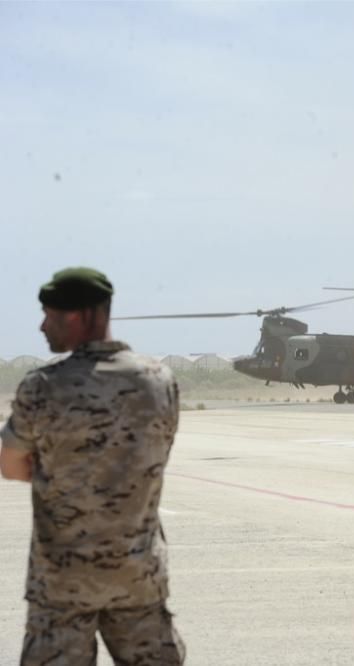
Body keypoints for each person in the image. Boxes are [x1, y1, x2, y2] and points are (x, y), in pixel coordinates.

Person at [0, 267, 185, 665]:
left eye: (49, 314)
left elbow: (11, 466)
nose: (41, 326)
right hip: (137, 575)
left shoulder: (43, 386)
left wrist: (63, 467)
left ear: (79, 316)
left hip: (63, 581)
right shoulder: (159, 380)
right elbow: (156, 454)